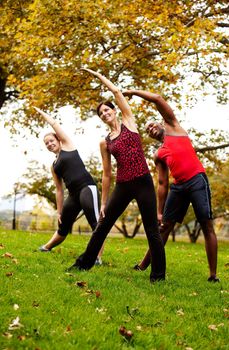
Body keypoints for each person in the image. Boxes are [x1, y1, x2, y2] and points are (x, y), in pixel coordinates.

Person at [69, 68, 166, 283]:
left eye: (107, 110)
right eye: (101, 113)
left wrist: (97, 75)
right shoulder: (105, 142)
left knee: (152, 230)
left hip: (142, 182)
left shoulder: (129, 122)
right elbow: (106, 174)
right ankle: (84, 264)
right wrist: (103, 203)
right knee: (102, 226)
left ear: (114, 110)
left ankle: (158, 276)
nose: (105, 114)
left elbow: (117, 92)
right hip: (122, 185)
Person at [122, 90, 219, 282]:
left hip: (197, 180)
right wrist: (159, 211)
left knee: (206, 225)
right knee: (163, 227)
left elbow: (157, 99)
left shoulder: (174, 126)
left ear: (160, 123)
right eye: (147, 130)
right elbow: (162, 183)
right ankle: (143, 266)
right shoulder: (159, 154)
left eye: (152, 125)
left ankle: (213, 275)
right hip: (178, 187)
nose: (151, 129)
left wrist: (132, 92)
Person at [34, 107, 103, 264]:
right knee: (63, 226)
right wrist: (59, 212)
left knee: (96, 224)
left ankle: (97, 257)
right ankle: (46, 247)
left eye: (51, 140)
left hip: (87, 187)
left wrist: (42, 112)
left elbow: (54, 123)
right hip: (73, 195)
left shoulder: (67, 145)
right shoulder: (54, 165)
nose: (49, 144)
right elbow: (59, 190)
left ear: (58, 140)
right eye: (46, 143)